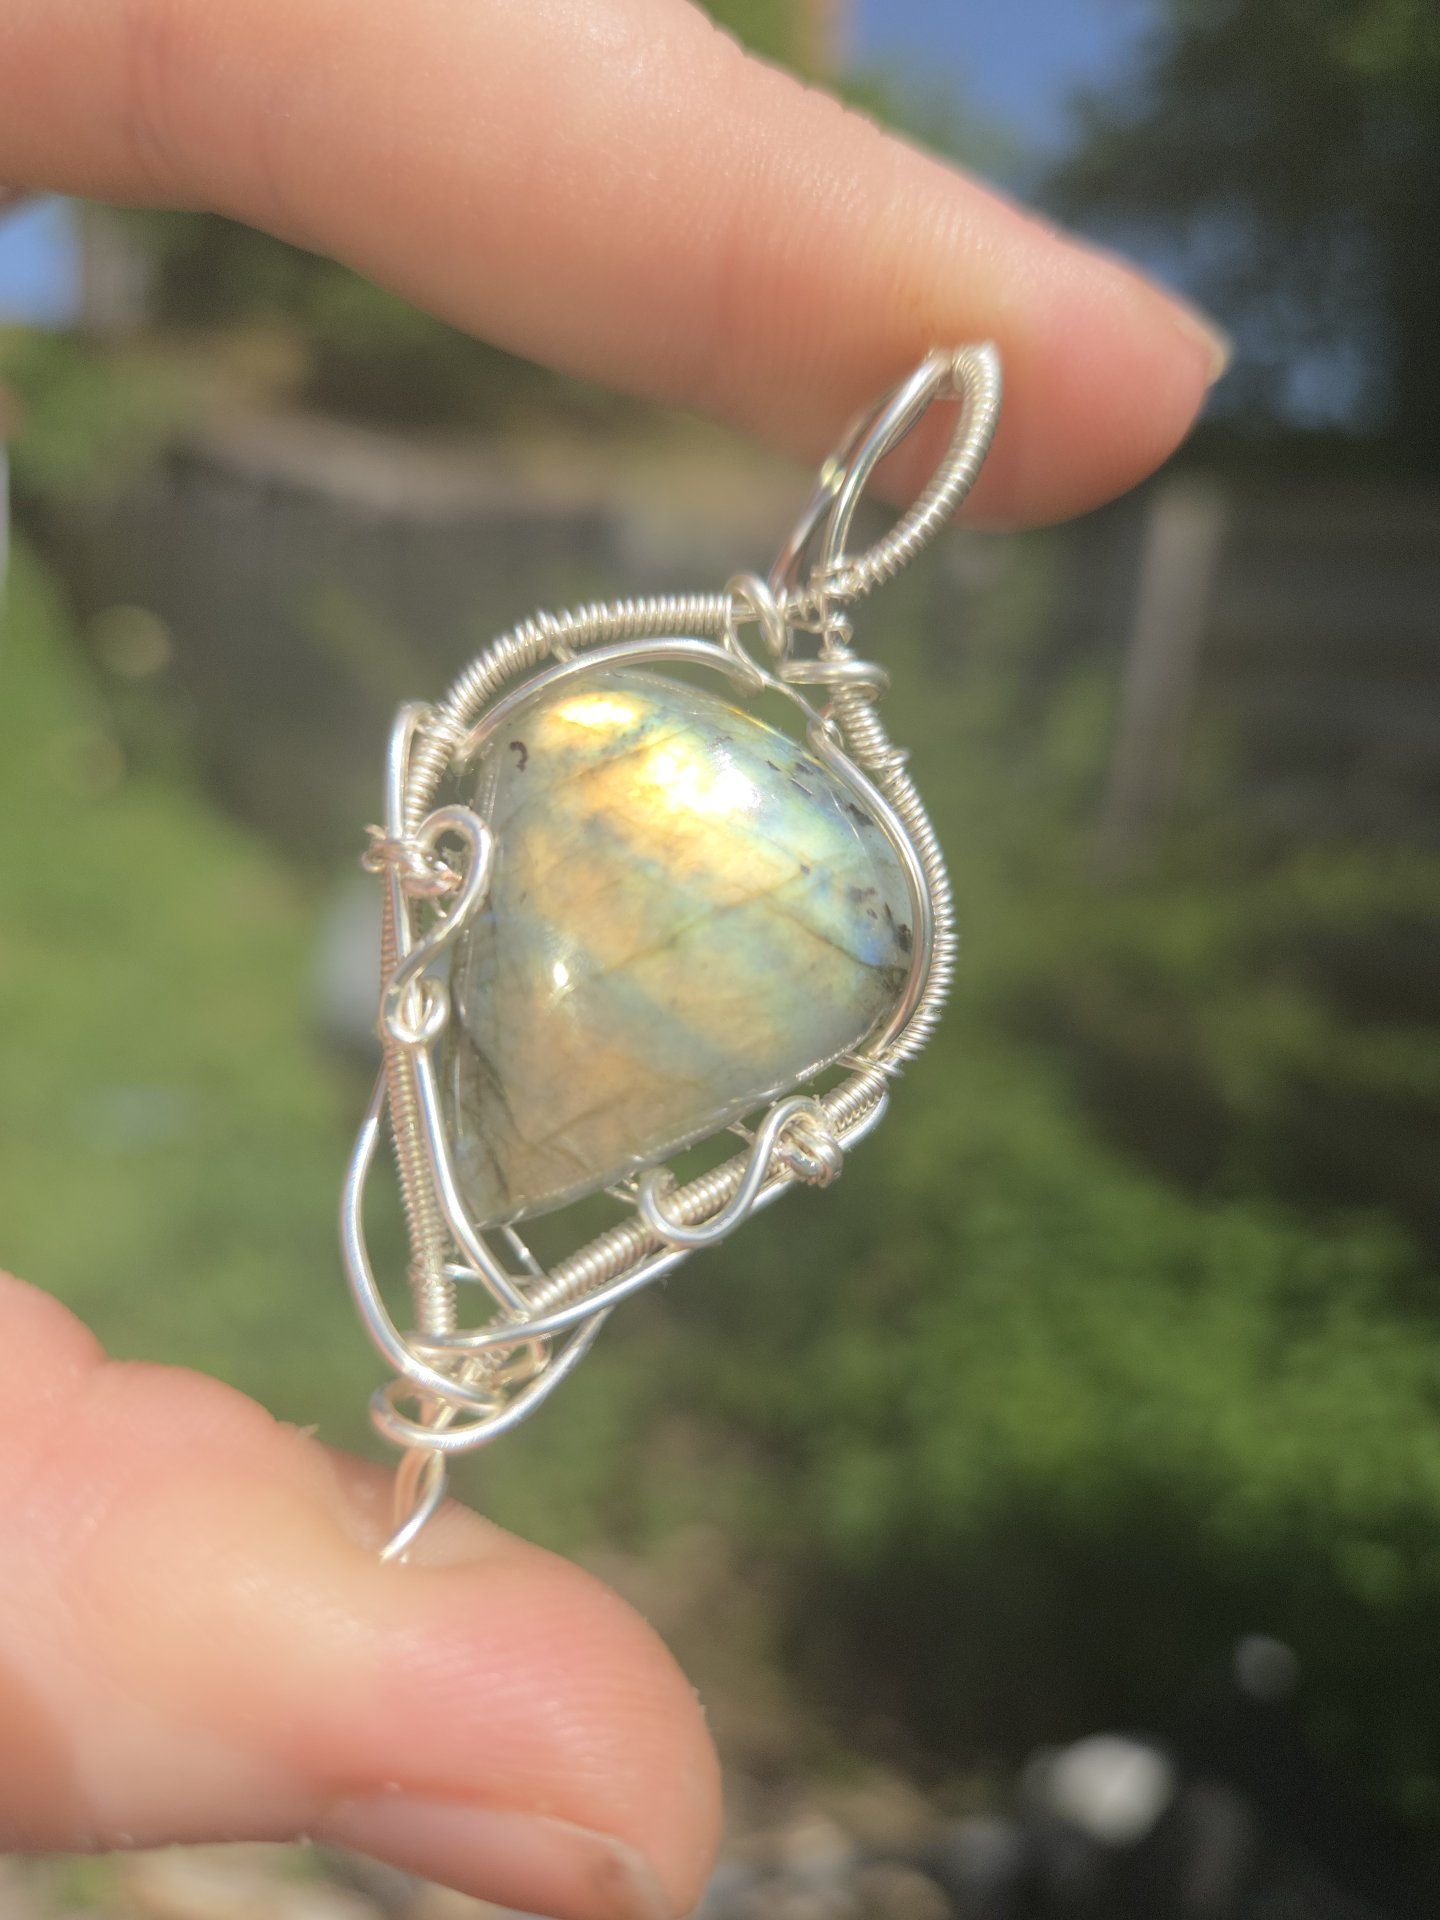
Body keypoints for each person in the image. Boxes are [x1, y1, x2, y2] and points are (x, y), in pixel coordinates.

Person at [0, 3, 1228, 1913]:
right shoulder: (605, 745)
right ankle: (451, 1348)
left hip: (525, 1203)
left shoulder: (782, 856)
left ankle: (452, 1349)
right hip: (501, 1176)